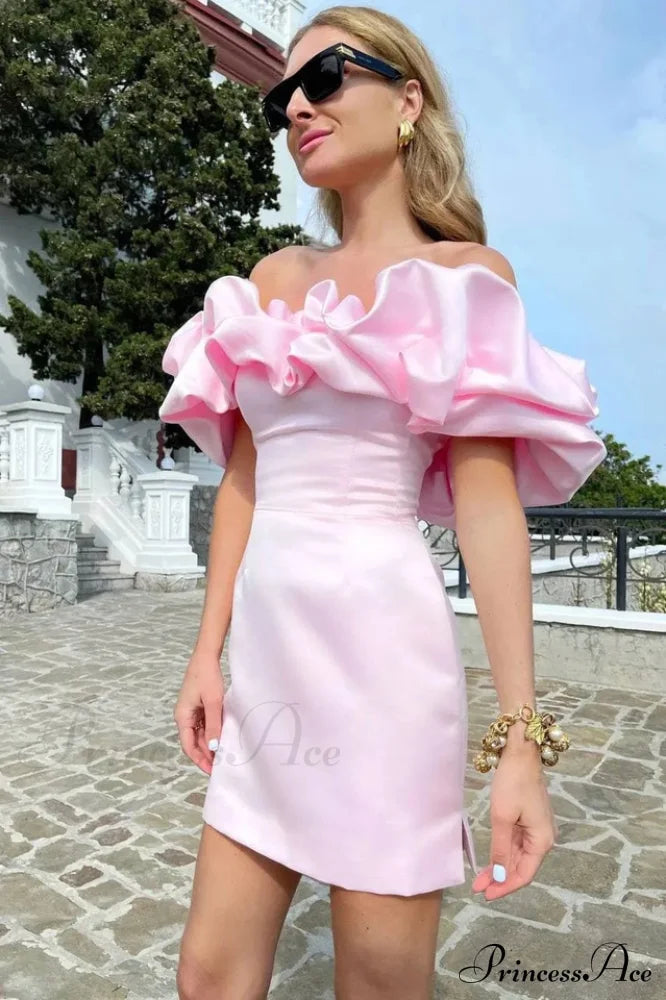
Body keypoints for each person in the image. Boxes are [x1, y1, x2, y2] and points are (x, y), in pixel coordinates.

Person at [158, 6, 607, 999]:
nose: (296, 109)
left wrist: (521, 739)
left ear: (408, 101)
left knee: (377, 984)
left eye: (324, 79)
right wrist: (205, 651)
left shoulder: (463, 282)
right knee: (206, 976)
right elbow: (245, 480)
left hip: (385, 676)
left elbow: (489, 515)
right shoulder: (271, 281)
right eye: (283, 96)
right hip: (269, 673)